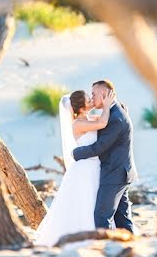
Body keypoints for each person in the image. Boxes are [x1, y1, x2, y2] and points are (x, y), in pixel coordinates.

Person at [33, 88, 115, 246]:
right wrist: (106, 105)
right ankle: (87, 237)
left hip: (94, 166)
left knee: (96, 201)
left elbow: (104, 120)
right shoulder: (78, 124)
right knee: (85, 201)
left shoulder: (87, 118)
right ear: (82, 108)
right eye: (88, 100)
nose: (91, 101)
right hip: (84, 169)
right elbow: (102, 123)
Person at [72, 80, 138, 233]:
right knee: (122, 217)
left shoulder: (116, 118)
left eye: (94, 95)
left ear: (104, 94)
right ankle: (128, 247)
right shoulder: (114, 112)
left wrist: (75, 153)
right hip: (119, 172)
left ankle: (106, 250)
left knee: (102, 216)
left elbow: (100, 147)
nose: (92, 98)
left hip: (114, 174)